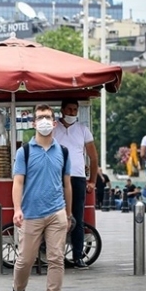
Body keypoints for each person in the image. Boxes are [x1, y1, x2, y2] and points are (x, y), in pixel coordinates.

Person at [11, 104, 73, 291]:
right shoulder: (25, 152)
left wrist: (68, 213)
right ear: (33, 123)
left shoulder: (63, 152)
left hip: (57, 212)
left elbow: (67, 185)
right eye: (40, 117)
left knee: (56, 259)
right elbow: (18, 182)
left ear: (54, 123)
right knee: (25, 261)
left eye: (47, 117)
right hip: (31, 214)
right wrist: (17, 209)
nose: (44, 121)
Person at [53, 99, 98, 270]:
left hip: (78, 177)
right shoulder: (54, 128)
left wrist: (92, 181)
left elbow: (93, 157)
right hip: (56, 176)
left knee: (77, 218)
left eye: (75, 110)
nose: (72, 113)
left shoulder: (83, 130)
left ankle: (77, 256)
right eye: (69, 109)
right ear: (62, 110)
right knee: (54, 216)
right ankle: (53, 254)